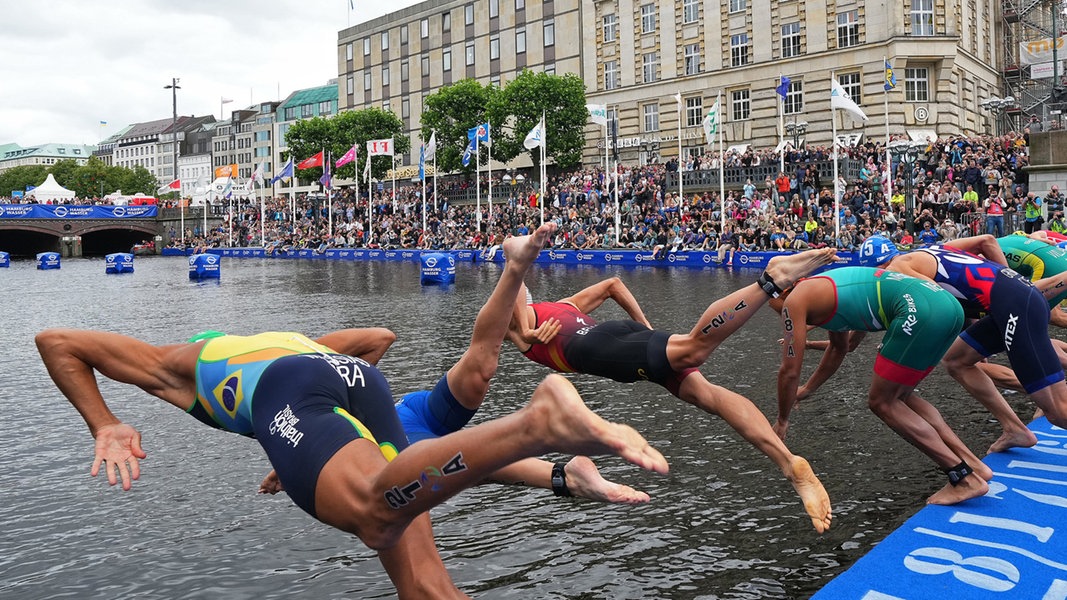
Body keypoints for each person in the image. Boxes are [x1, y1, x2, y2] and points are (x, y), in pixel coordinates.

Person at [36, 249, 668, 600]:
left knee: (372, 509)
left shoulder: (172, 364)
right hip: (350, 387)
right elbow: (375, 340)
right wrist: (313, 444)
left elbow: (57, 340)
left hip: (296, 395)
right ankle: (559, 475)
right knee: (422, 574)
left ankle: (540, 423)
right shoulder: (280, 342)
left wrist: (106, 423)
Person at [261, 224, 650, 504]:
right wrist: (288, 467)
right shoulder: (294, 407)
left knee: (480, 374)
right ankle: (565, 476)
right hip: (404, 437)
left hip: (410, 417)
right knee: (473, 447)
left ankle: (515, 267)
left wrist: (326, 359)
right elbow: (308, 444)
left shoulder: (310, 375)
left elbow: (382, 338)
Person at [508, 249, 841, 534]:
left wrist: (525, 329)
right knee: (708, 395)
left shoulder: (518, 328)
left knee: (694, 348)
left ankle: (769, 281)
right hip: (624, 338)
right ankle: (788, 463)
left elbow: (512, 299)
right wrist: (646, 330)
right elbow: (614, 285)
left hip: (602, 352)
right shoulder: (561, 306)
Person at [770, 266, 991, 505]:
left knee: (882, 403)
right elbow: (841, 348)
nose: (779, 316)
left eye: (772, 307)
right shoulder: (824, 287)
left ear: (780, 295)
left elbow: (789, 371)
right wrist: (807, 391)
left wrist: (782, 418)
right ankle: (974, 465)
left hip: (919, 312)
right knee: (902, 397)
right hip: (947, 307)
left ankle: (963, 479)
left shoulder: (793, 301)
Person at [859, 233, 1067, 455]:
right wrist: (1013, 283)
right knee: (957, 360)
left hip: (1014, 307)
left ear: (876, 270)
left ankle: (1024, 422)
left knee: (1056, 411)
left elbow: (939, 307)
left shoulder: (895, 272)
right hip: (1013, 298)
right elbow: (986, 240)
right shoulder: (927, 252)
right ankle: (1014, 429)